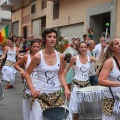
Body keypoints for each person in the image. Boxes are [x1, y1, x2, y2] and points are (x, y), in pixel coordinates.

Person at [25, 28, 70, 120]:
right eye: (49, 37)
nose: (52, 39)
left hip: (56, 94)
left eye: (54, 37)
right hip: (41, 95)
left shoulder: (60, 56)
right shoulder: (38, 56)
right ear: (44, 39)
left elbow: (61, 74)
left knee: (63, 117)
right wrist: (32, 90)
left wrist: (66, 88)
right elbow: (27, 74)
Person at [64, 41, 96, 120]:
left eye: (85, 47)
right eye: (81, 47)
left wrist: (102, 48)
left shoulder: (91, 58)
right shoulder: (75, 58)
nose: (83, 49)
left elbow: (102, 62)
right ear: (79, 48)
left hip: (87, 86)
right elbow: (66, 70)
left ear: (87, 48)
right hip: (76, 86)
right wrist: (64, 85)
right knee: (75, 109)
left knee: (86, 108)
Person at [14, 39, 42, 120]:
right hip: (29, 84)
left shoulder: (43, 57)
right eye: (34, 46)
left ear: (40, 47)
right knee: (27, 105)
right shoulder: (27, 57)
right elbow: (16, 65)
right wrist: (22, 70)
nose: (36, 48)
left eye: (38, 46)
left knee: (38, 107)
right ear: (30, 47)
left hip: (40, 84)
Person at [98, 37, 120, 120]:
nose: (119, 45)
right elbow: (101, 80)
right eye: (116, 44)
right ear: (112, 48)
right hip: (111, 99)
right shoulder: (110, 62)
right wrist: (118, 84)